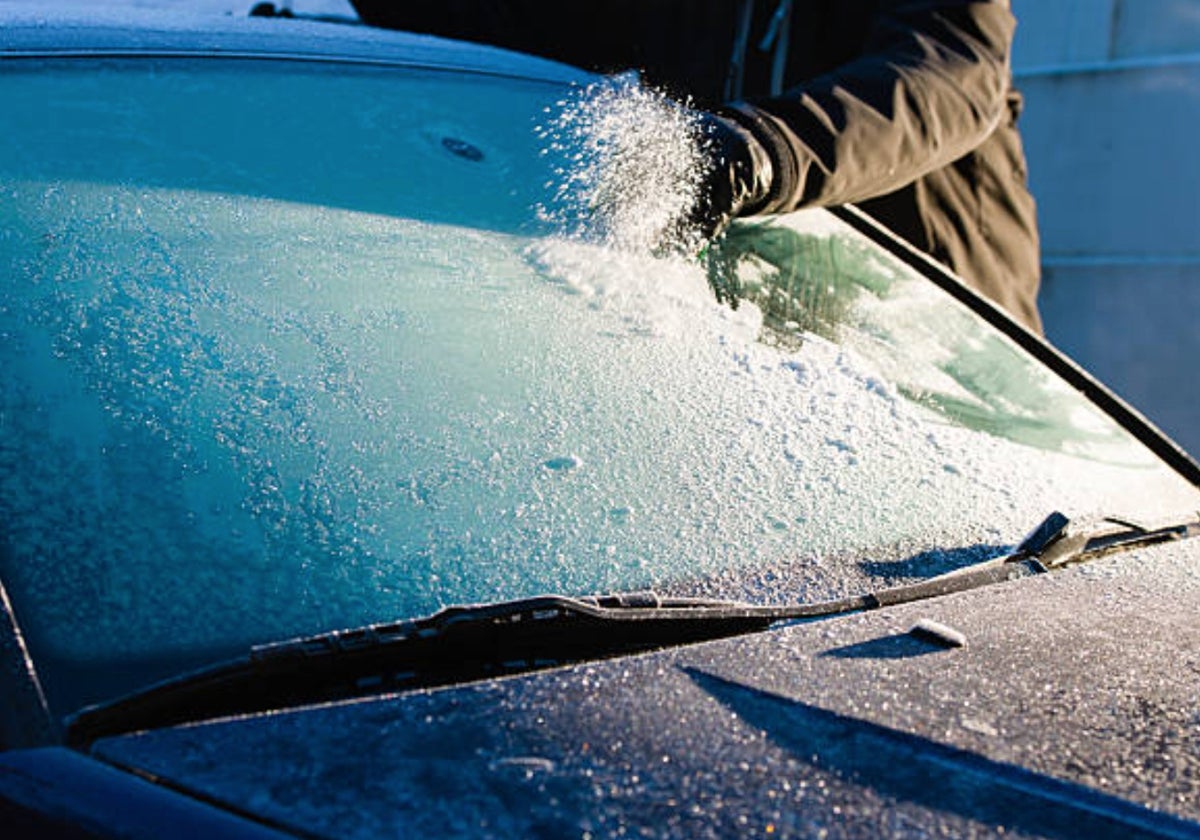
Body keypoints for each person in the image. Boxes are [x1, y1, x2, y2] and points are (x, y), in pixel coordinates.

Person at [350, 0, 1044, 333]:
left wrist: (757, 150)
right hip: (781, 339)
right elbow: (525, 24)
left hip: (946, 332)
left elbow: (952, 74)